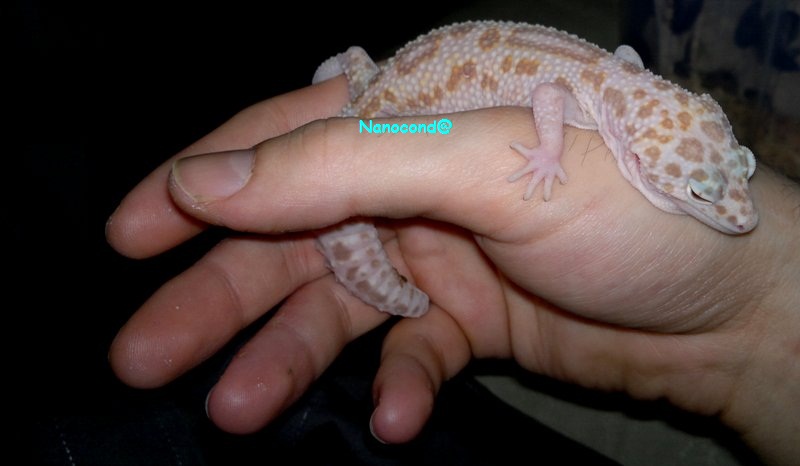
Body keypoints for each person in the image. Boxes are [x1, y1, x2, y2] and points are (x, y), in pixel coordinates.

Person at [105, 74, 799, 465]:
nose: (741, 217)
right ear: (640, 150)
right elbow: (533, 98)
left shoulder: (626, 90)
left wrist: (762, 306)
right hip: (399, 114)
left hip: (399, 97)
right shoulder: (604, 101)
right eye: (704, 193)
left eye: (738, 171)